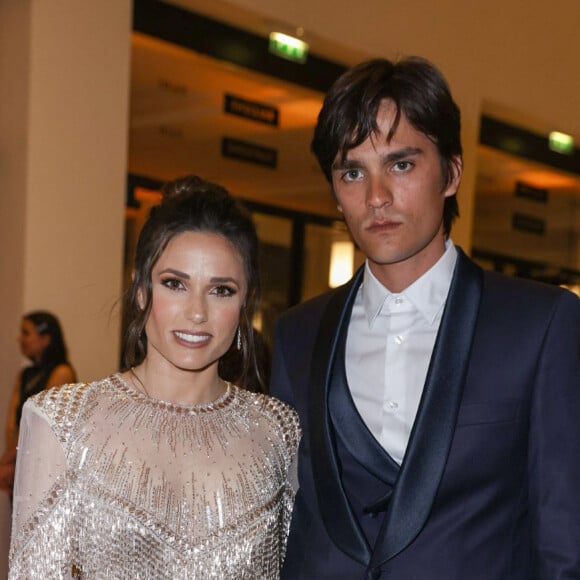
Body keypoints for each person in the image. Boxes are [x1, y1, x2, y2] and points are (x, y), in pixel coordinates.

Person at [269, 56, 580, 579]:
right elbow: (286, 521)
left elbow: (565, 538)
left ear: (452, 173)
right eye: (353, 173)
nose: (377, 197)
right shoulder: (297, 333)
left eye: (401, 164)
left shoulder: (541, 325)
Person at [9, 176, 301, 579]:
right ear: (142, 290)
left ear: (245, 302)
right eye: (175, 284)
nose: (197, 312)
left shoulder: (277, 432)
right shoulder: (62, 421)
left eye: (221, 290)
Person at [0, 311, 76, 496]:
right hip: (23, 463)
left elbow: (38, 425)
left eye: (26, 333)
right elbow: (13, 425)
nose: (20, 338)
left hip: (46, 467)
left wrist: (6, 463)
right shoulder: (25, 375)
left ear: (45, 339)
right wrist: (12, 463)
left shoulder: (61, 373)